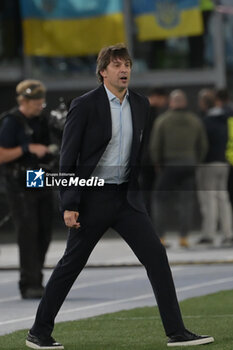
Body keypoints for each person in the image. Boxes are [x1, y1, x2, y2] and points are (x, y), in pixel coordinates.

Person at [26, 44, 214, 349]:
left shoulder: (140, 104)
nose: (124, 69)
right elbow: (68, 157)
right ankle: (39, 332)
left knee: (156, 256)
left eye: (127, 64)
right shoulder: (85, 105)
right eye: (116, 65)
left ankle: (176, 331)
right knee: (71, 265)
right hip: (91, 200)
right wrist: (70, 203)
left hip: (126, 199)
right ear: (103, 72)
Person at [0, 80, 54, 299]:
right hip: (18, 180)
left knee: (44, 230)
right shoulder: (11, 122)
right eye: (35, 101)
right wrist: (26, 148)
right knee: (28, 231)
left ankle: (36, 277)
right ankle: (29, 283)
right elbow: (2, 155)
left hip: (38, 175)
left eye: (41, 100)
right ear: (23, 100)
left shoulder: (42, 121)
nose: (40, 104)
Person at [150, 90, 208, 248]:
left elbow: (155, 146)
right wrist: (196, 161)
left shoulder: (162, 120)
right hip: (189, 164)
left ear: (171, 102)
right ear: (185, 103)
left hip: (169, 165)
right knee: (186, 202)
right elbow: (203, 145)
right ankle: (184, 238)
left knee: (159, 200)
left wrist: (157, 163)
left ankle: (160, 237)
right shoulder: (195, 120)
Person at [197, 88, 233, 245]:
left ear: (204, 103)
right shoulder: (225, 118)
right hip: (223, 162)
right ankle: (228, 233)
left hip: (208, 163)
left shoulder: (205, 121)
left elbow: (201, 144)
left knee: (209, 199)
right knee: (223, 198)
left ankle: (209, 234)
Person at [140, 88, 168, 215]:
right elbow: (152, 139)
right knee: (149, 192)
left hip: (141, 157)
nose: (165, 102)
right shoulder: (151, 112)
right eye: (164, 99)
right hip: (148, 159)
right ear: (157, 96)